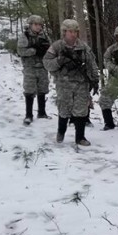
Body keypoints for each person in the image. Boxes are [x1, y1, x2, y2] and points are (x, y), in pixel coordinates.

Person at [42, 18, 99, 146]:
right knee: (64, 109)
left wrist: (95, 79)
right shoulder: (57, 46)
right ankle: (61, 132)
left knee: (81, 110)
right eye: (70, 31)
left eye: (75, 31)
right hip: (64, 84)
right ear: (64, 32)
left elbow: (92, 63)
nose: (73, 34)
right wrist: (59, 61)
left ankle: (80, 137)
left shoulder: (83, 47)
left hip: (81, 83)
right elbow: (46, 63)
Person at [16, 15, 51, 125]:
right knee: (29, 90)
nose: (38, 27)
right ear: (30, 25)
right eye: (36, 24)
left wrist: (45, 50)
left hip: (42, 67)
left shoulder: (45, 36)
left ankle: (42, 112)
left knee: (42, 89)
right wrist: (34, 50)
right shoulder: (25, 36)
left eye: (40, 25)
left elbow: (51, 49)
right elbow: (21, 51)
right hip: (30, 67)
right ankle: (28, 115)